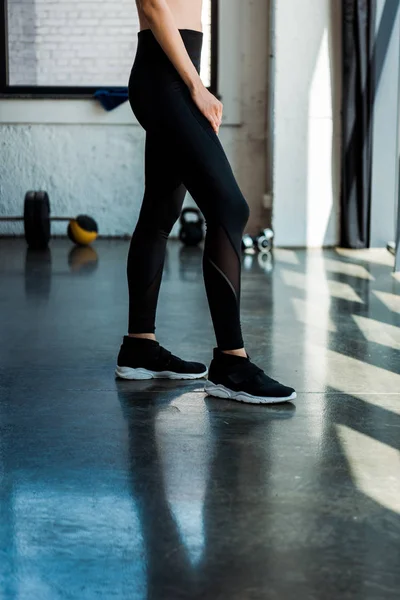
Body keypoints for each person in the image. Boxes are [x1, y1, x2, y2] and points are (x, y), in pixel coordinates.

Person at [115, 0, 296, 404]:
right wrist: (197, 87)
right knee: (230, 208)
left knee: (160, 211)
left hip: (170, 74)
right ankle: (232, 363)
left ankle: (139, 347)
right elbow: (153, 4)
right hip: (167, 79)